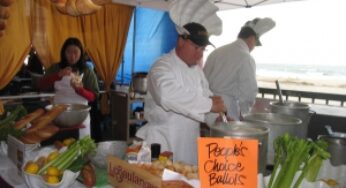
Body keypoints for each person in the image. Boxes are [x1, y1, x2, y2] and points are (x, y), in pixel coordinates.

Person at [135, 22, 226, 165]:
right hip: (163, 145)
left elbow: (206, 102)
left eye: (203, 49)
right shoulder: (161, 65)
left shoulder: (197, 71)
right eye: (196, 47)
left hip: (189, 147)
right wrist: (210, 104)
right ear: (181, 41)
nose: (199, 54)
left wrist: (216, 119)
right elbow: (166, 94)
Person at [204, 18, 275, 120]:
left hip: (209, 109)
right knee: (224, 136)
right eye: (255, 43)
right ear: (251, 38)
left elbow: (202, 81)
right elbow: (249, 92)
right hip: (227, 114)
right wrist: (244, 112)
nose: (253, 47)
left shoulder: (216, 52)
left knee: (210, 136)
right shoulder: (246, 58)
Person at [38, 37, 99, 138]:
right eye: (69, 52)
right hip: (58, 116)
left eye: (76, 52)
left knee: (81, 147)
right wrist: (58, 75)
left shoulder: (87, 71)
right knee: (58, 147)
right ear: (63, 53)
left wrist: (80, 90)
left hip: (80, 117)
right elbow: (41, 86)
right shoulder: (55, 68)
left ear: (81, 53)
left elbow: (94, 97)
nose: (72, 56)